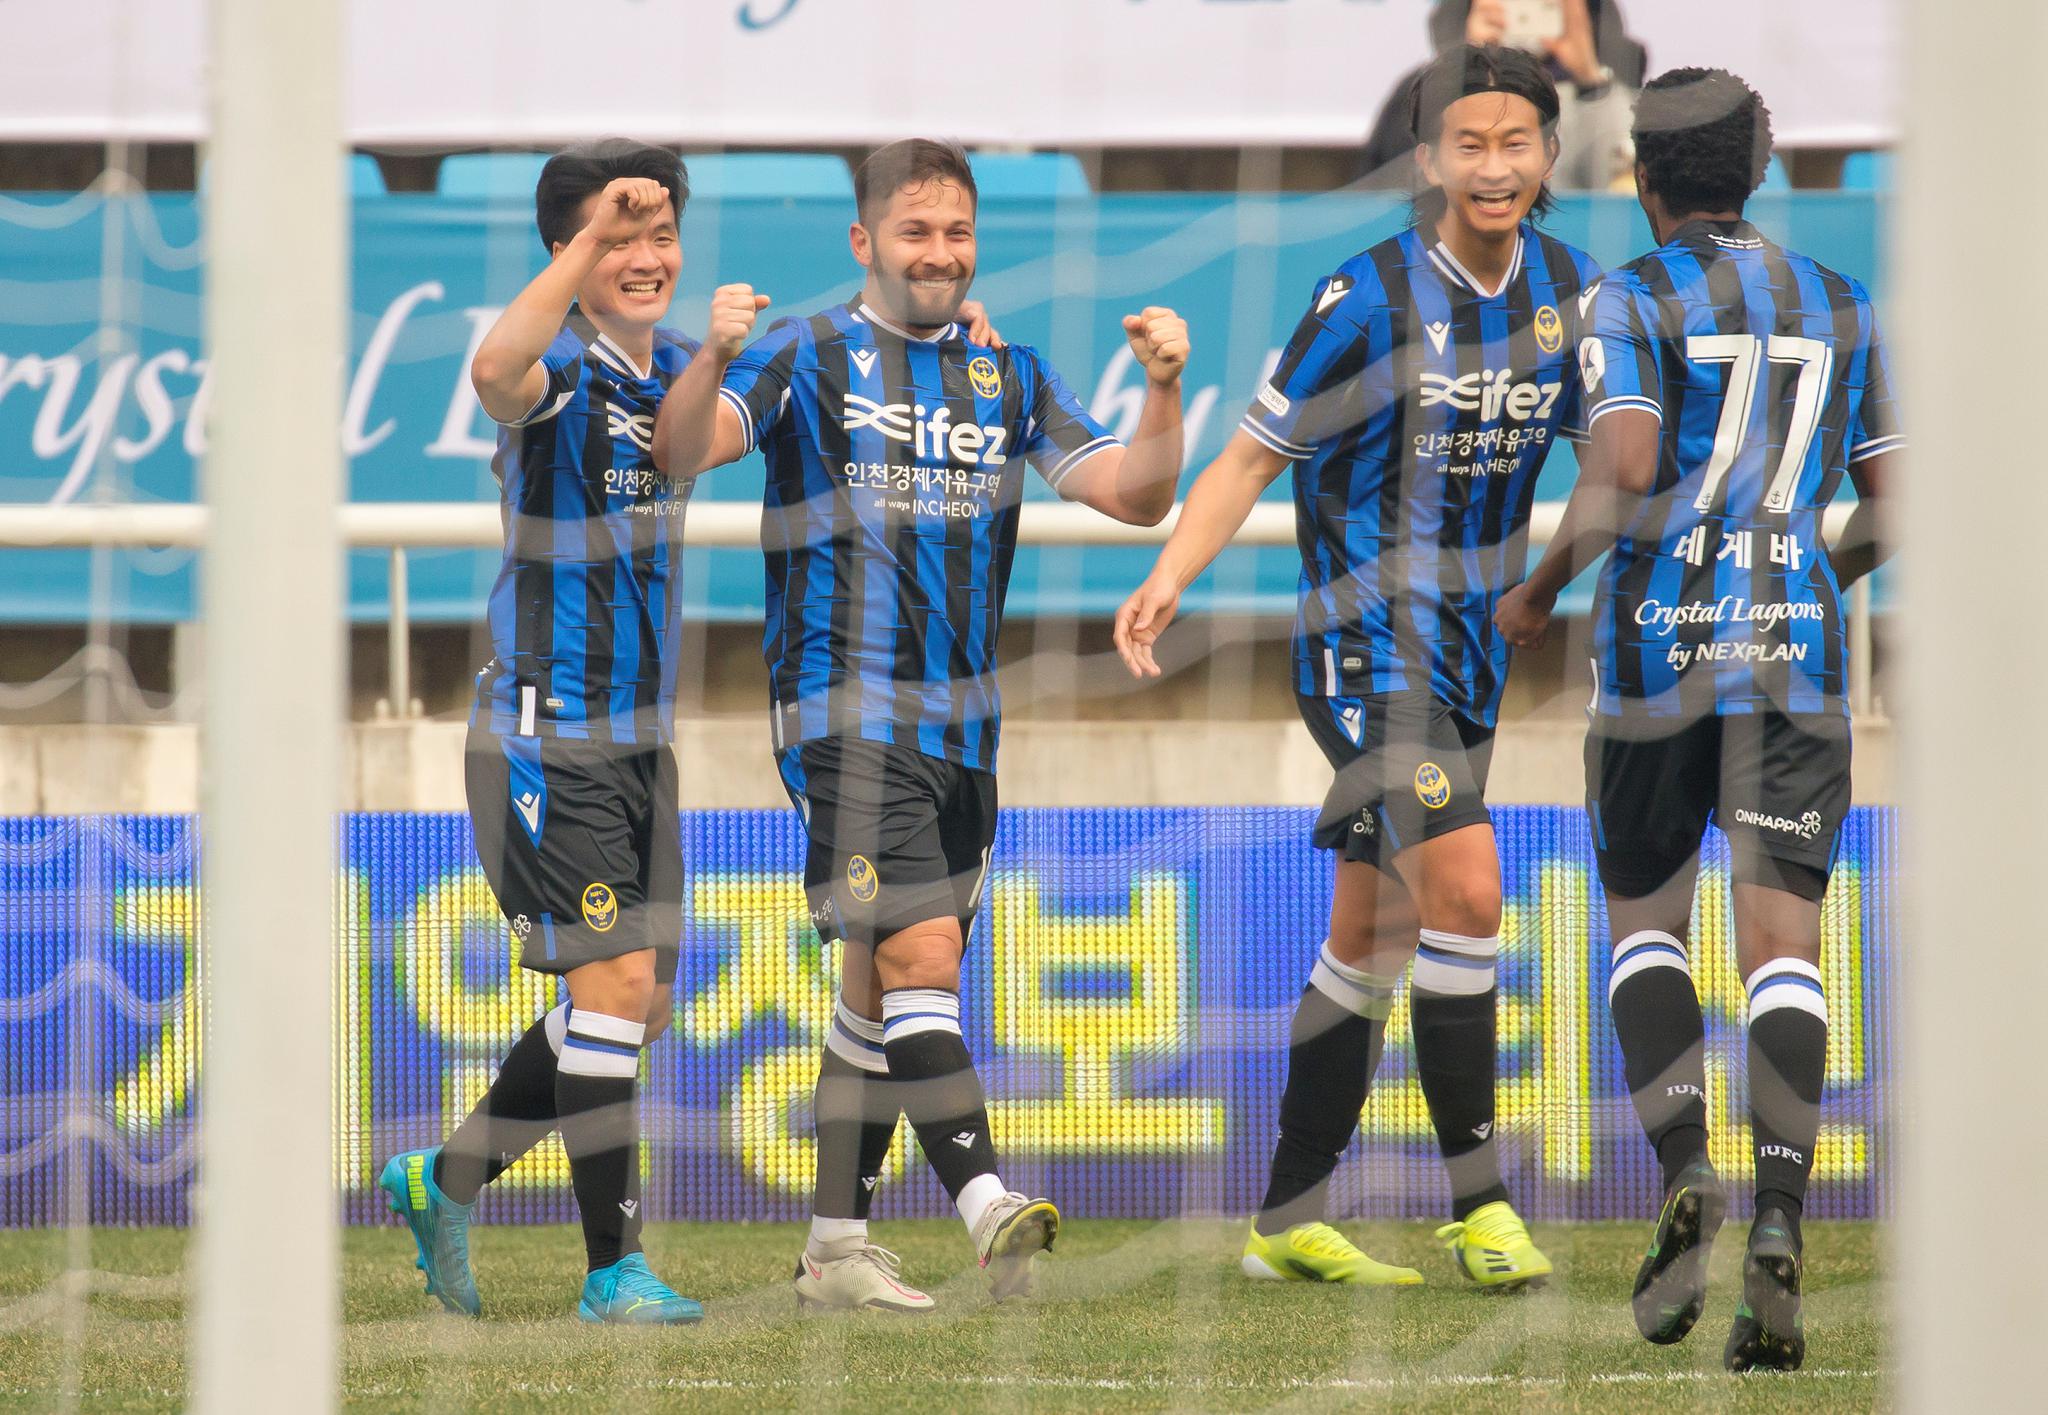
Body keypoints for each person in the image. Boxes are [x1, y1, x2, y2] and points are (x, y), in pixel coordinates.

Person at [655, 138, 1190, 1311]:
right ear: (864, 241)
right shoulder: (803, 351)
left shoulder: (1007, 373)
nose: (939, 252)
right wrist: (712, 355)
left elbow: (1137, 495)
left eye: (956, 232)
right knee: (922, 957)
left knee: (875, 985)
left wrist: (1161, 386)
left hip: (963, 727)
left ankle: (833, 1249)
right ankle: (984, 1199)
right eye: (913, 231)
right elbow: (682, 450)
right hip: (841, 710)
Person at [1115, 44, 1599, 1290]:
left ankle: (1285, 1217)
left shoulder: (1570, 291)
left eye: (1514, 143)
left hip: (1469, 663)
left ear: (1548, 154)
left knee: (1372, 932)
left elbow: (1617, 456)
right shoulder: (1364, 296)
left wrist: (1557, 580)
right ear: (1428, 158)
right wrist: (1170, 572)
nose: (1491, 166)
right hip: (1360, 653)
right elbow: (1249, 455)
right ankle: (1484, 1210)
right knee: (1470, 895)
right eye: (1467, 144)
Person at [1494, 69, 1899, 1372]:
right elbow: (1898, 499)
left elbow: (1620, 466)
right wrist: (1809, 578)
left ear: (1641, 177)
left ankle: (1685, 1169)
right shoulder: (1841, 301)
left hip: (1654, 662)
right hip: (1792, 664)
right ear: (1759, 169)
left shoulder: (1627, 298)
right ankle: (1781, 1210)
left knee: (1645, 927)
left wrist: (1539, 588)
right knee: (1782, 946)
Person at [376, 140, 708, 1325]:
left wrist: (946, 332)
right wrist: (588, 244)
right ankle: (613, 1268)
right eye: (618, 235)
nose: (645, 255)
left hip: (642, 736)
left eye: (660, 232)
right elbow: (493, 367)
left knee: (638, 999)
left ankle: (446, 1176)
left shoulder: (684, 369)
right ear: (568, 250)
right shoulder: (557, 366)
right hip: (543, 727)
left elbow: (804, 405)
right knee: (613, 981)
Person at [1363, 1, 1646, 190]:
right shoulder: (1422, 89)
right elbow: (1392, 191)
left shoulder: (1611, 91)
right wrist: (1466, 67)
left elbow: (1626, 187)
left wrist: (1591, 81)